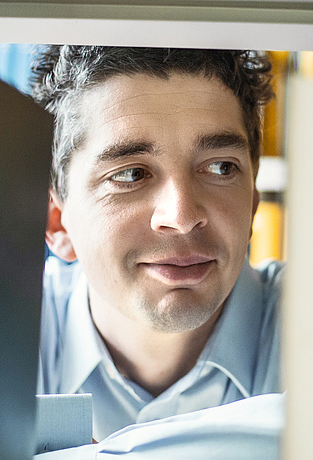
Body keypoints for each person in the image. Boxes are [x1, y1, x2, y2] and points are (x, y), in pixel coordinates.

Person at [31, 45, 284, 458]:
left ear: (252, 205)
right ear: (59, 222)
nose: (182, 216)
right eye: (130, 174)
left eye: (221, 167)